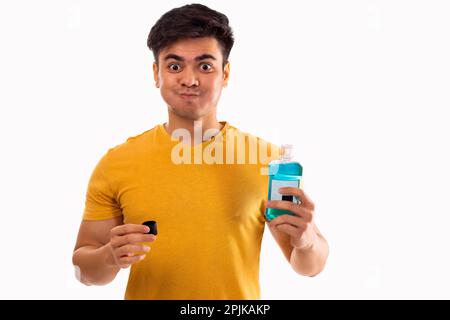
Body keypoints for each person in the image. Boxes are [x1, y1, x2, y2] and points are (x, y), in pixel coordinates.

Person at [72, 3, 329, 300]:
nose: (189, 79)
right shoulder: (116, 163)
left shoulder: (267, 162)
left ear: (226, 74)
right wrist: (108, 257)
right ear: (156, 74)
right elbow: (84, 271)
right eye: (174, 66)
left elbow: (310, 266)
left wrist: (307, 240)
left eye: (205, 66)